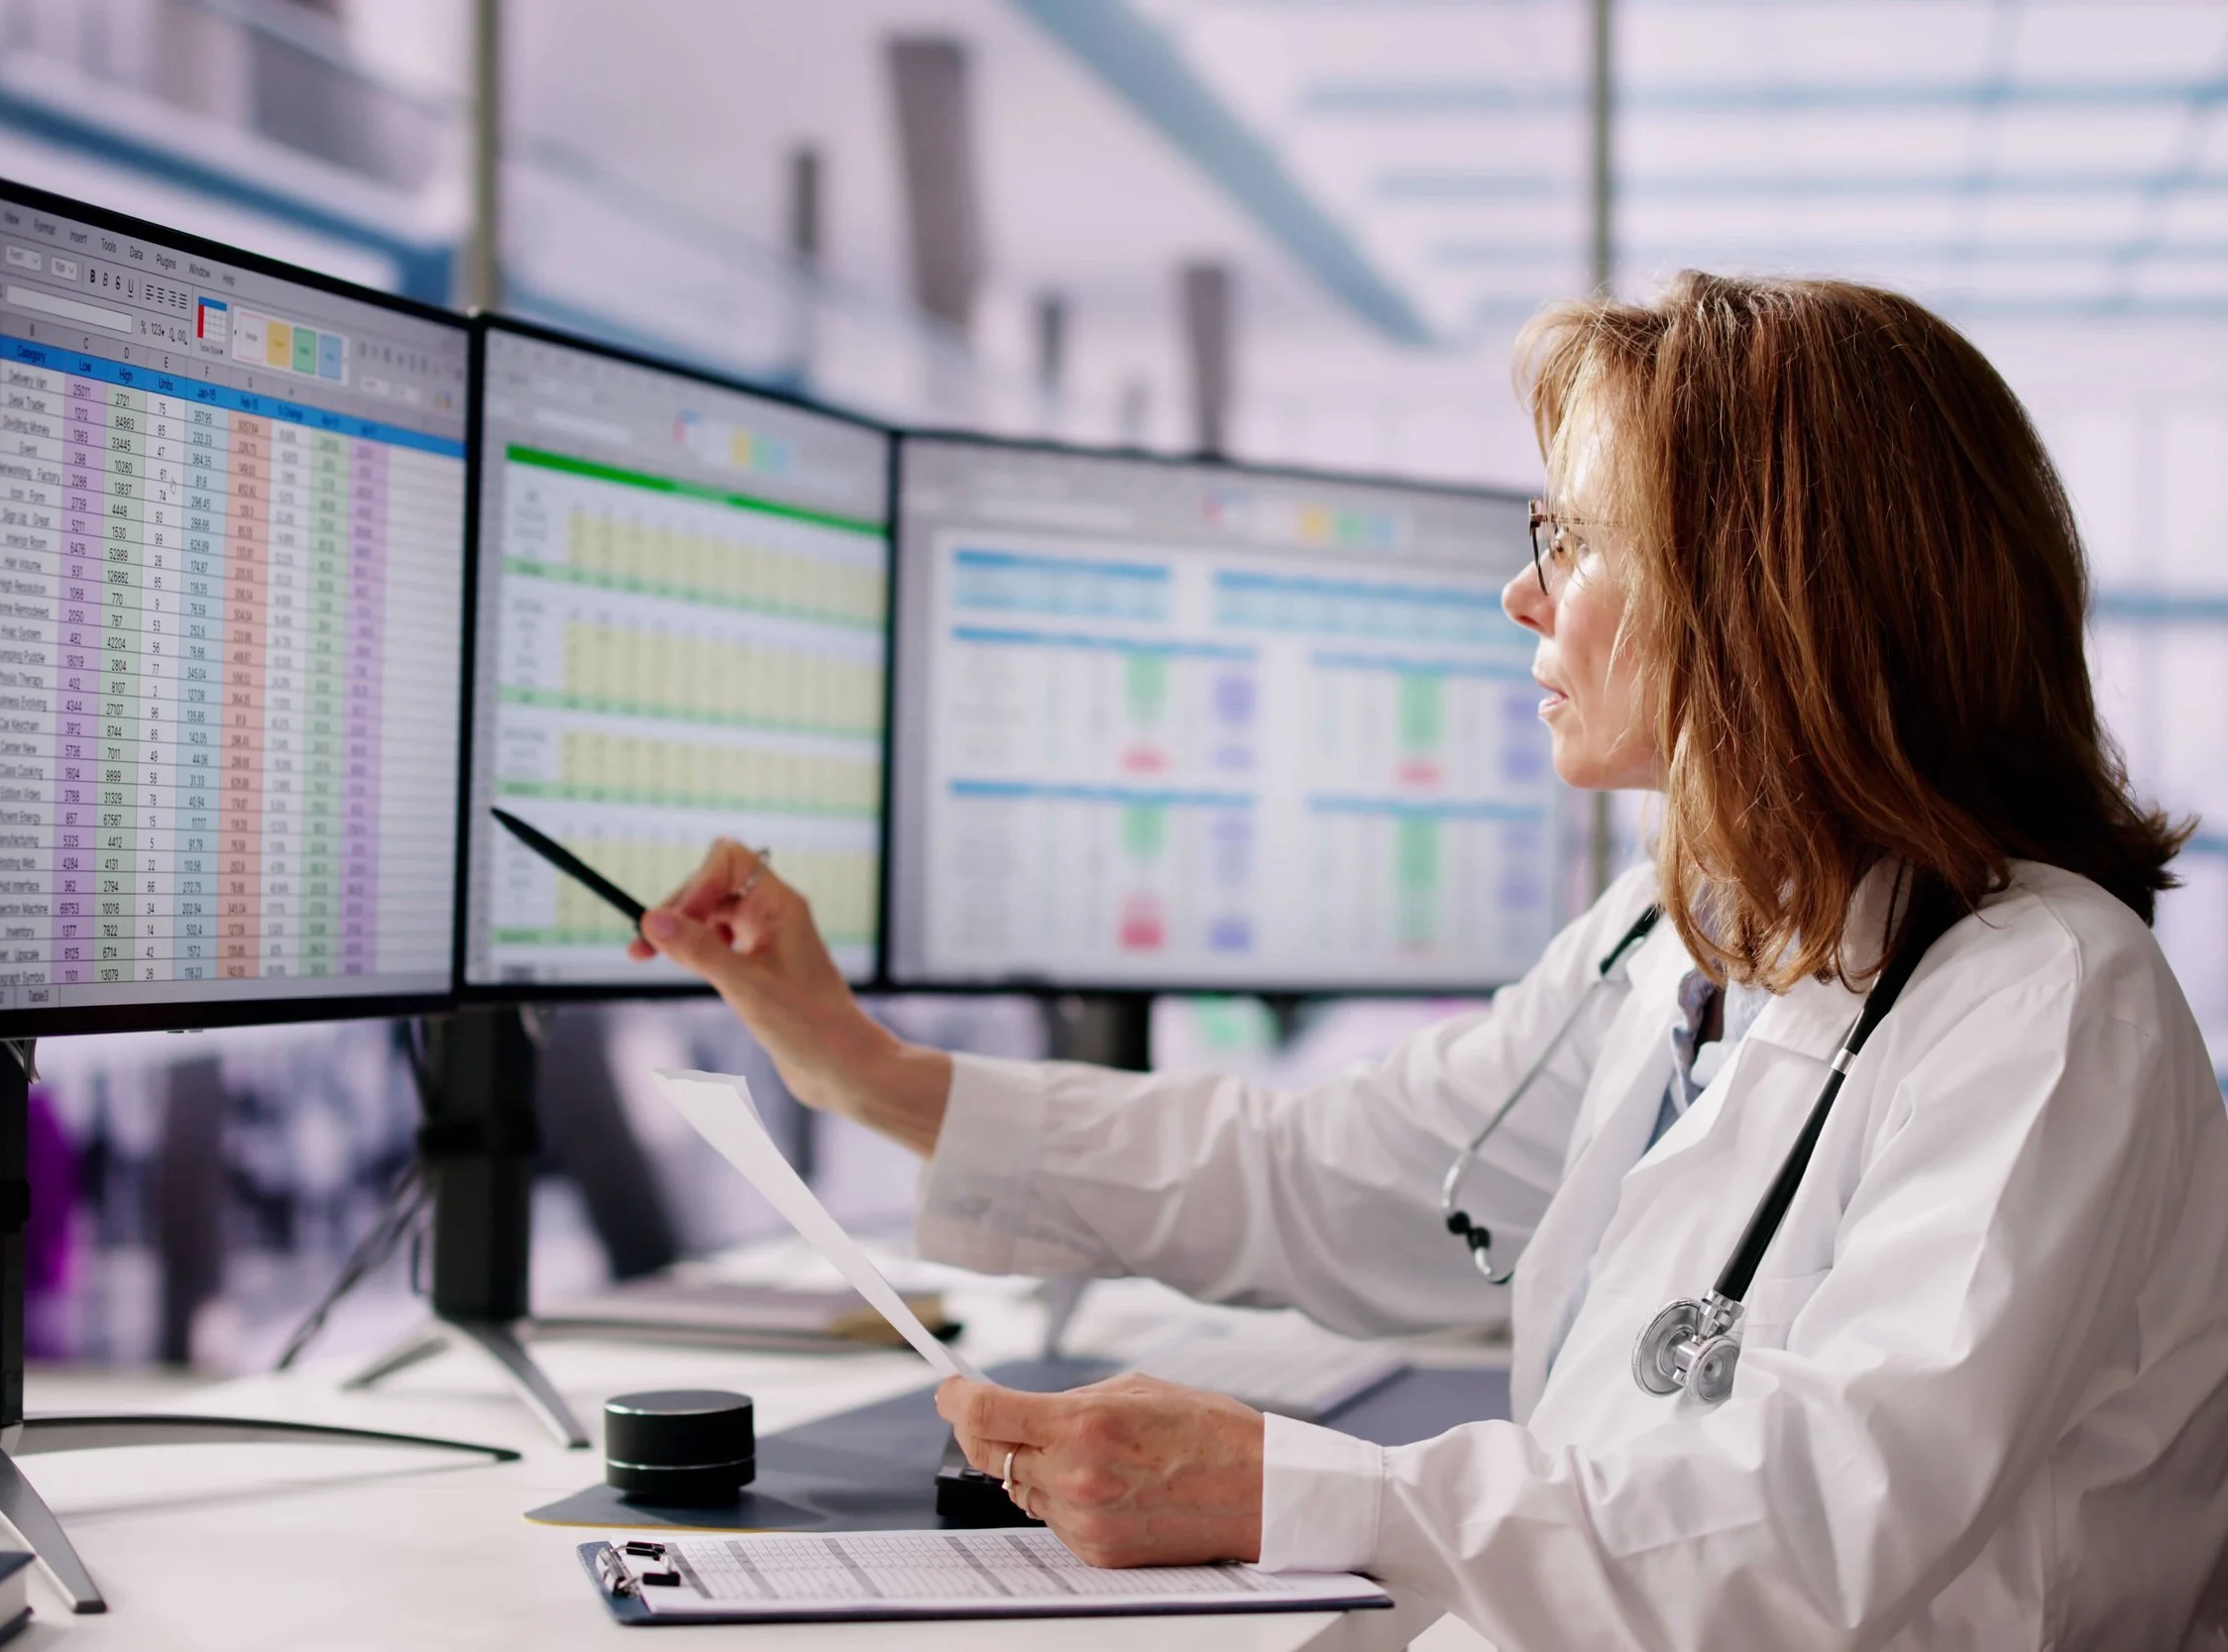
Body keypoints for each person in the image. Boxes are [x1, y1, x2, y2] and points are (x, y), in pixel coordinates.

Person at [628, 274, 2228, 1648]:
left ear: (1764, 600)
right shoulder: (1678, 943)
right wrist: (860, 1065)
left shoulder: (2048, 1003)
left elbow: (1815, 1528)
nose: (1523, 590)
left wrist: (1289, 1487)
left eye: (1580, 540)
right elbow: (1330, 1171)